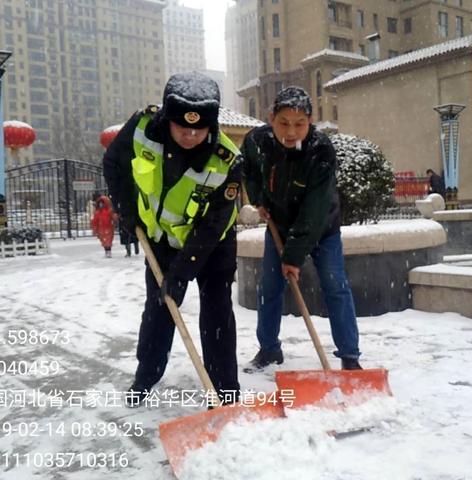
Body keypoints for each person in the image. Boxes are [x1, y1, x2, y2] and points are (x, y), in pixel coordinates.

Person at [103, 71, 241, 406]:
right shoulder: (141, 128)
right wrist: (126, 209)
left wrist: (181, 274)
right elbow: (114, 164)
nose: (191, 135)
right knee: (158, 309)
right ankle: (145, 376)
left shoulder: (227, 161)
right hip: (162, 240)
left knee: (217, 313)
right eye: (182, 127)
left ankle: (223, 391)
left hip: (212, 246)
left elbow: (212, 225)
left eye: (200, 128)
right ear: (166, 118)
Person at [241, 86, 362, 371]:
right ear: (271, 118)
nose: (291, 132)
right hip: (279, 226)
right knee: (269, 288)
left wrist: (293, 258)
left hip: (322, 228)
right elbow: (248, 169)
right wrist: (258, 199)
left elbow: (314, 209)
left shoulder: (320, 150)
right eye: (284, 123)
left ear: (310, 121)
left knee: (335, 286)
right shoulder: (257, 141)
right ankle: (269, 349)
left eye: (300, 124)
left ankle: (349, 355)